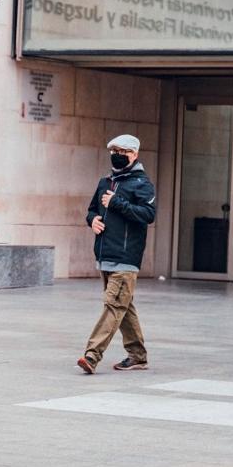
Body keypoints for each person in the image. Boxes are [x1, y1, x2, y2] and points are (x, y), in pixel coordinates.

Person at [76, 135, 157, 374]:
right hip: (105, 253)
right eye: (114, 150)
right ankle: (138, 356)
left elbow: (148, 214)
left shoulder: (142, 184)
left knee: (113, 305)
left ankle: (92, 355)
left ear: (134, 155)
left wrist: (117, 203)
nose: (117, 155)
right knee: (123, 305)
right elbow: (91, 210)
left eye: (123, 151)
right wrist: (93, 221)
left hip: (126, 258)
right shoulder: (105, 182)